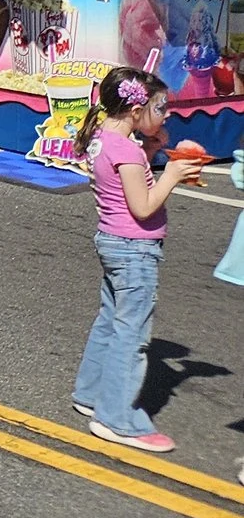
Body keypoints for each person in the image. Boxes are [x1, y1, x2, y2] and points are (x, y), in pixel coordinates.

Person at [71, 65, 202, 452]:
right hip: (134, 249)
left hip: (113, 242)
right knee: (133, 335)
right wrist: (172, 175)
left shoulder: (105, 140)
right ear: (135, 109)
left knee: (111, 321)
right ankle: (116, 418)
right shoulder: (126, 150)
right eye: (161, 108)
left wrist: (152, 152)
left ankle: (91, 393)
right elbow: (143, 206)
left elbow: (121, 179)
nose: (166, 115)